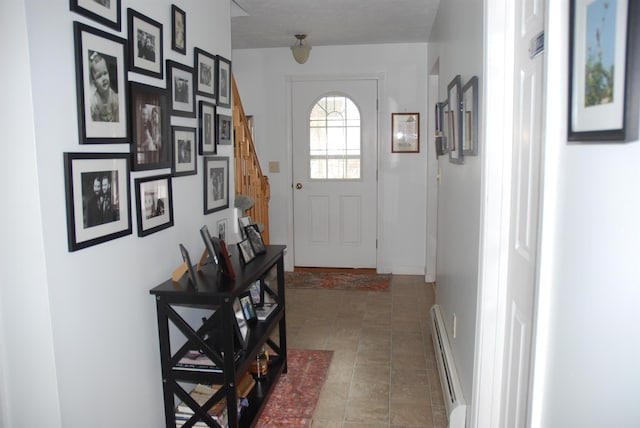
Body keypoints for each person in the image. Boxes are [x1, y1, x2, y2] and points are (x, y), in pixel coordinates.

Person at [88, 51, 118, 122]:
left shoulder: (114, 97)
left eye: (105, 73)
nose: (104, 78)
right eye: (99, 76)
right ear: (94, 82)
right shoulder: (94, 101)